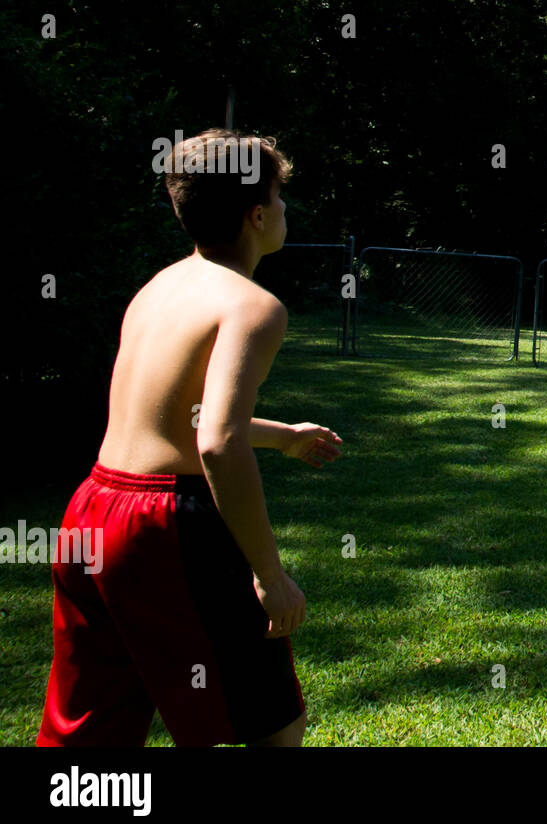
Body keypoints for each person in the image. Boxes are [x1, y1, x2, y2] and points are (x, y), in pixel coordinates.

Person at [38, 129, 341, 747]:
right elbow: (216, 445)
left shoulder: (156, 289)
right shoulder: (253, 307)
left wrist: (282, 437)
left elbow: (175, 419)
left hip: (92, 511)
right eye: (281, 197)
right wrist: (269, 574)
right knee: (271, 728)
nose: (286, 209)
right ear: (257, 215)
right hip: (165, 529)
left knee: (91, 727)